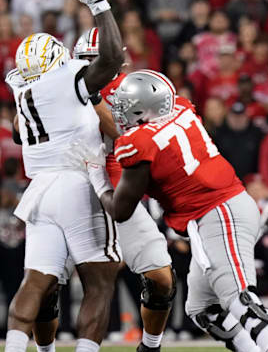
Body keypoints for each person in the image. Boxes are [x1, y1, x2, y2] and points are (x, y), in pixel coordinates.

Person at [72, 69, 268, 352]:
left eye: (126, 106)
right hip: (216, 212)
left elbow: (120, 210)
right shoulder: (182, 108)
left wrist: (97, 175)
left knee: (242, 299)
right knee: (203, 309)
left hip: (219, 213)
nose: (120, 113)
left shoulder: (138, 143)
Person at [3, 0, 125, 352]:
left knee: (35, 282)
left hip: (39, 191)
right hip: (76, 183)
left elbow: (22, 134)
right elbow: (112, 58)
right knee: (100, 280)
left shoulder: (22, 89)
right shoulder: (68, 76)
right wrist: (100, 7)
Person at [37, 27, 176, 352]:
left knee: (161, 279)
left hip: (115, 194)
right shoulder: (58, 91)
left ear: (117, 64)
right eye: (87, 61)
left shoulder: (130, 92)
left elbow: (128, 137)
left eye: (100, 62)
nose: (93, 69)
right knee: (45, 290)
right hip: (66, 195)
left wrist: (94, 99)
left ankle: (150, 346)